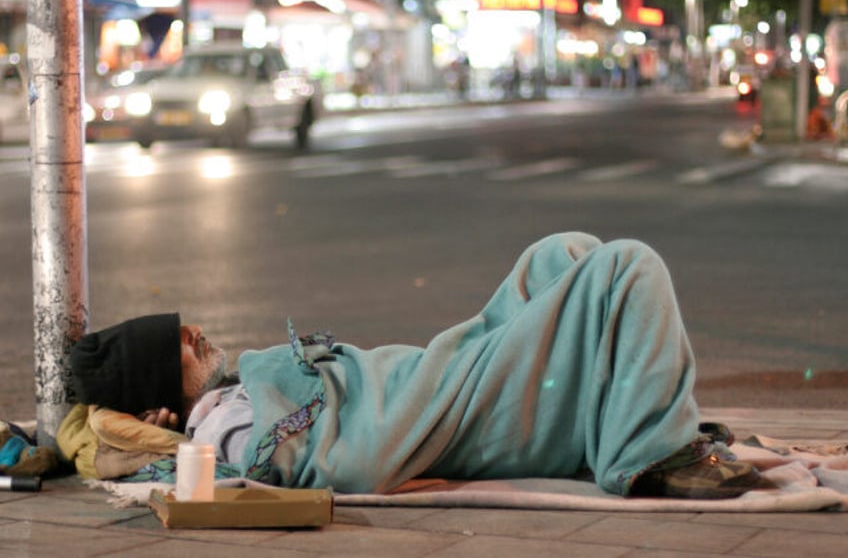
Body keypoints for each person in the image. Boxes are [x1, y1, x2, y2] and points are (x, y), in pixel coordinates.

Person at [64, 232, 767, 499]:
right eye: (177, 346)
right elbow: (339, 462)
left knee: (563, 252)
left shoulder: (235, 391)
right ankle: (651, 457)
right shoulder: (225, 430)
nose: (194, 334)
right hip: (452, 408)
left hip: (443, 370)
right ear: (161, 406)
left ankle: (615, 417)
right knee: (627, 267)